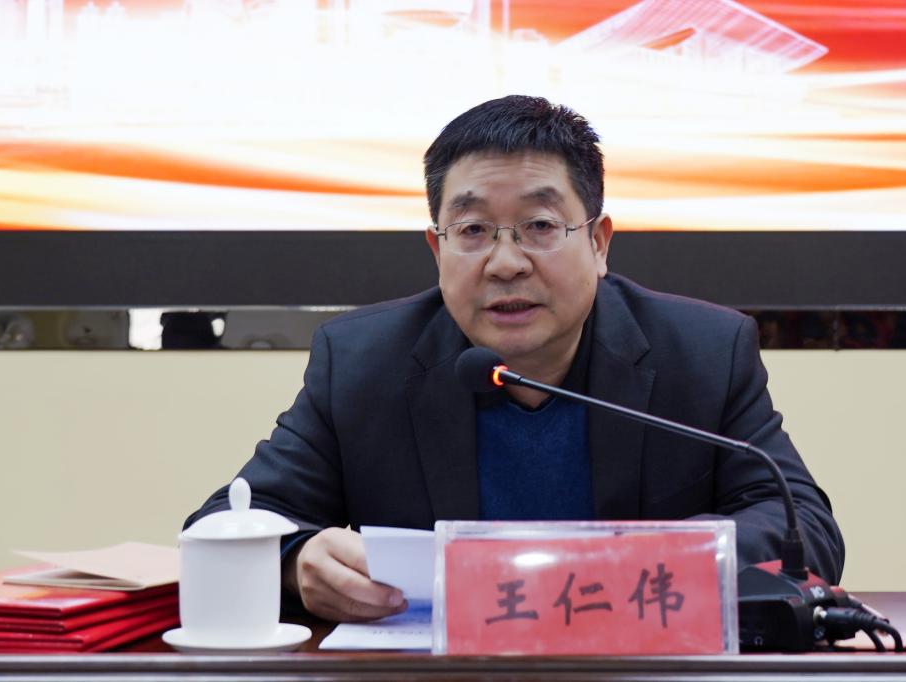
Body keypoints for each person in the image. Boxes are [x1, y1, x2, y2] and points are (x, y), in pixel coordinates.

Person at [186, 95, 845, 624]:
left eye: (540, 226)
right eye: (473, 230)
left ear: (599, 242)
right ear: (437, 248)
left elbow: (805, 528)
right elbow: (226, 521)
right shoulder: (362, 363)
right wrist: (297, 559)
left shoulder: (702, 352)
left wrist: (642, 561)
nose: (505, 262)